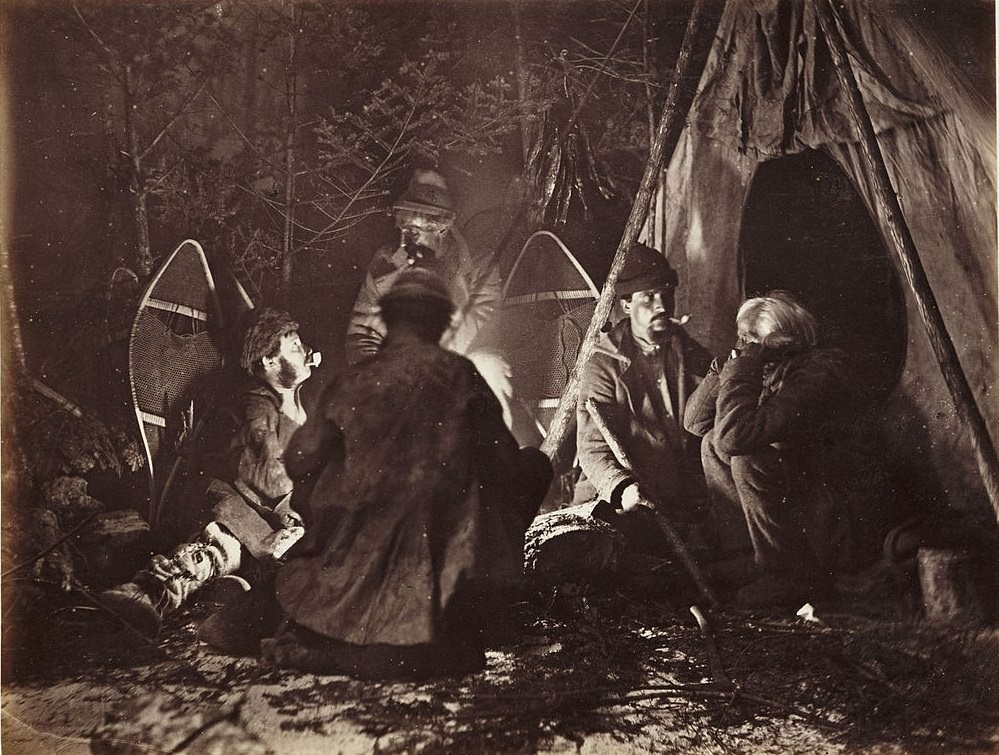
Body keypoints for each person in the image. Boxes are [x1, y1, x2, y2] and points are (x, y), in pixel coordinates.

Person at [263, 268, 553, 679]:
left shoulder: (350, 379)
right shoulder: (460, 374)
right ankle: (481, 599)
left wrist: (332, 506)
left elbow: (299, 459)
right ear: (441, 322)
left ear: (387, 319)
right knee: (533, 465)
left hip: (351, 562)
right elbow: (504, 463)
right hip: (439, 573)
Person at [99, 308, 317, 637]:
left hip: (273, 520)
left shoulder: (294, 404)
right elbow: (269, 479)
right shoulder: (256, 408)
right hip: (236, 510)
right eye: (295, 346)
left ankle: (238, 592)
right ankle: (145, 594)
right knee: (218, 548)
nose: (305, 352)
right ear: (269, 363)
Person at [684, 291, 880, 606]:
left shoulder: (818, 375)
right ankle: (749, 555)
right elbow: (694, 423)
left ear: (786, 343)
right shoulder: (768, 368)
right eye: (742, 339)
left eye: (754, 342)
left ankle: (789, 574)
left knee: (748, 457)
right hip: (807, 504)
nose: (745, 349)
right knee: (710, 444)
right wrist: (726, 370)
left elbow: (735, 437)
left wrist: (741, 372)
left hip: (840, 519)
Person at [345, 167, 515, 427]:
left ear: (442, 230)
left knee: (488, 368)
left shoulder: (480, 264)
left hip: (461, 365)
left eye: (415, 232)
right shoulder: (385, 264)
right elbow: (361, 334)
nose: (405, 241)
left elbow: (484, 321)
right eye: (404, 229)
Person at [574, 242, 711, 546]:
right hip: (629, 491)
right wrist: (621, 487)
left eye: (666, 295)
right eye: (648, 297)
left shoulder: (684, 349)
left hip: (678, 489)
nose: (661, 305)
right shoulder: (605, 363)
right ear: (626, 305)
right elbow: (593, 447)